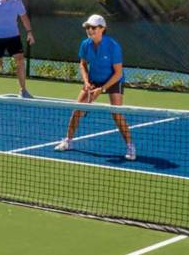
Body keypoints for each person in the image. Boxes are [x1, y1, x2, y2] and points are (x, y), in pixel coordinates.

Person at [55, 14, 135, 160]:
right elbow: (83, 64)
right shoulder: (85, 44)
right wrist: (86, 82)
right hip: (93, 80)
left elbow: (118, 73)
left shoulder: (113, 46)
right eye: (87, 27)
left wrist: (102, 89)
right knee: (77, 110)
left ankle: (130, 146)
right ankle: (68, 141)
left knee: (116, 114)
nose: (89, 30)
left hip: (113, 80)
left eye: (93, 27)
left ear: (102, 29)